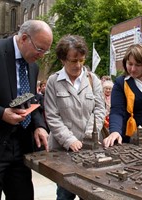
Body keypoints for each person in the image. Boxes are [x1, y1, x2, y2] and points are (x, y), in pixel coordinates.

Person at [0, 20, 52, 200]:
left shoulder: (32, 65)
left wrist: (39, 125)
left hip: (19, 150)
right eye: (40, 49)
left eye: (46, 50)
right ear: (23, 38)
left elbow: (30, 100)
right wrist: (0, 113)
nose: (42, 55)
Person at [44, 34, 106, 200]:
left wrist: (89, 134)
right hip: (63, 151)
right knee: (65, 194)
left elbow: (100, 109)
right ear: (63, 60)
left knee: (91, 193)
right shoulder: (53, 81)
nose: (78, 65)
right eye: (73, 61)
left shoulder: (93, 80)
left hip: (90, 148)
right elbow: (52, 115)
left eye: (81, 60)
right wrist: (69, 140)